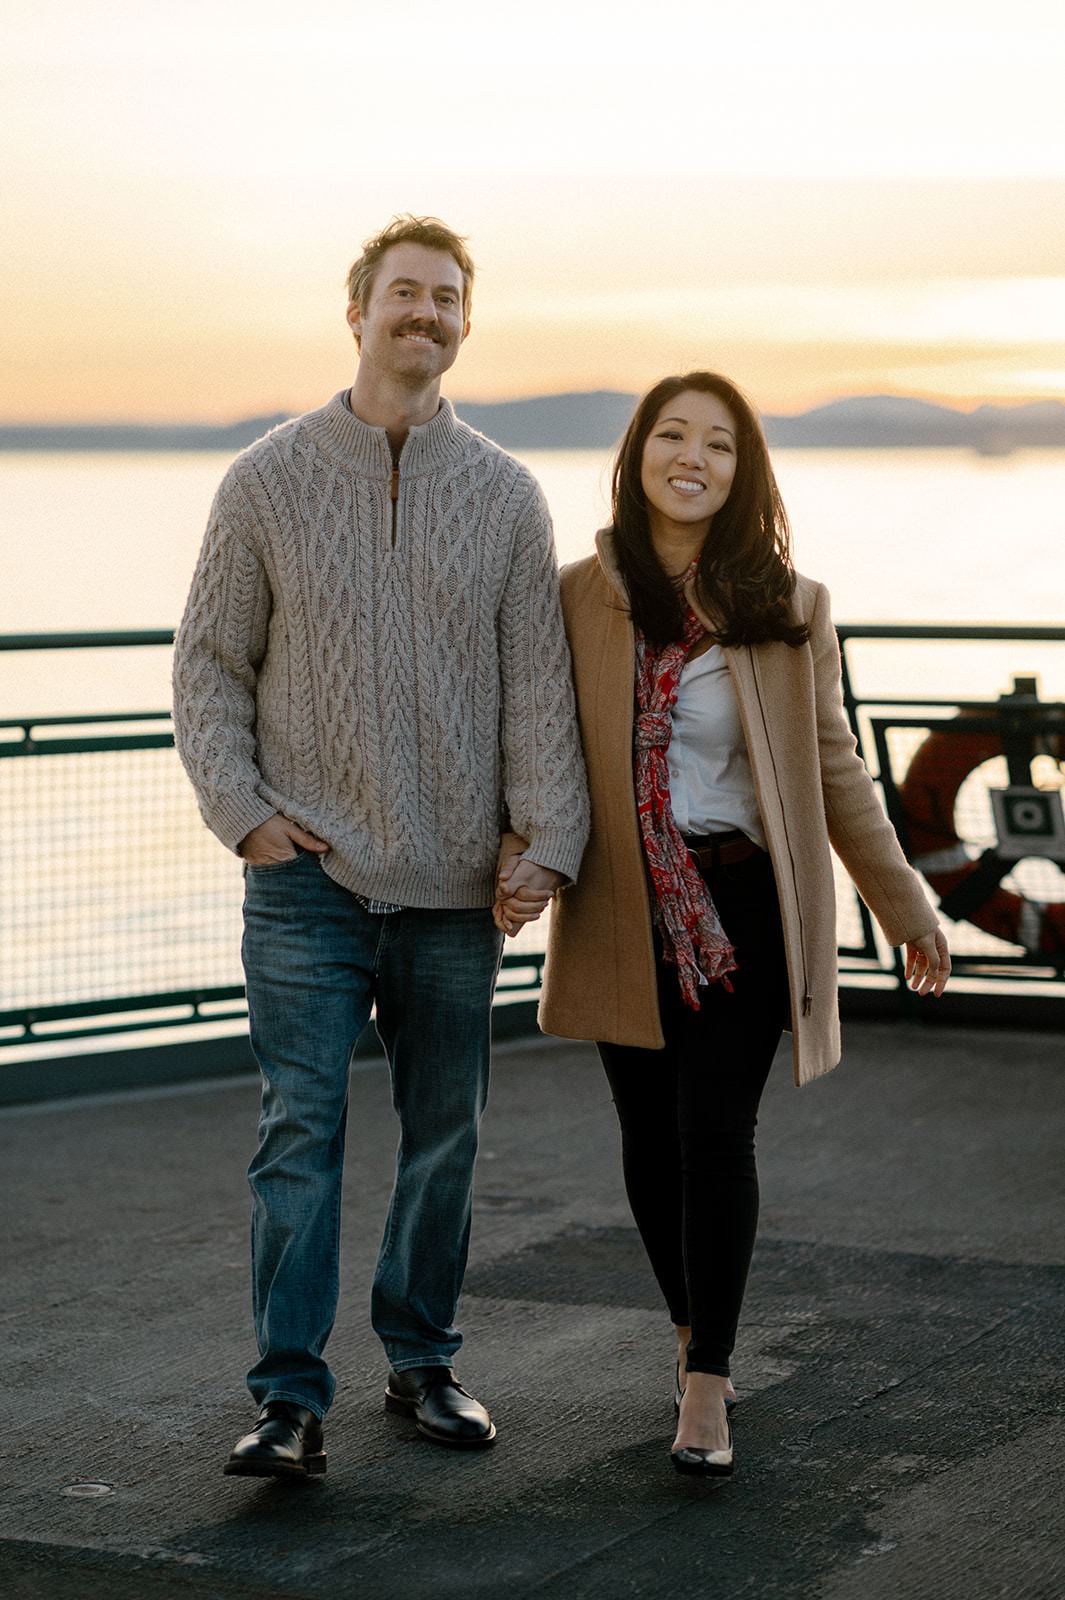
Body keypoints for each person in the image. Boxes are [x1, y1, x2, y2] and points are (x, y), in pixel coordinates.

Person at [173, 215, 589, 1477]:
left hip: (458, 887)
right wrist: (244, 814)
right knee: (298, 1133)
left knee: (445, 1135)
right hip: (307, 880)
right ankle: (290, 1398)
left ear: (467, 324)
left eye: (446, 298)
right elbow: (208, 667)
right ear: (354, 313)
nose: (425, 313)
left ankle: (422, 1365)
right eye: (402, 294)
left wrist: (547, 843)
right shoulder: (264, 480)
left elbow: (541, 694)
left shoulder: (510, 495)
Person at [496, 370, 949, 1479]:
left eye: (719, 444)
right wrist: (517, 858)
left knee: (714, 1134)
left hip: (744, 903)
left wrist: (909, 901)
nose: (692, 457)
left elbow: (837, 769)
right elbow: (535, 747)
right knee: (649, 1142)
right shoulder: (576, 594)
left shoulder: (786, 607)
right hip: (619, 906)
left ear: (745, 471)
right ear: (639, 453)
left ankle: (707, 1385)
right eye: (672, 435)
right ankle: (694, 1328)